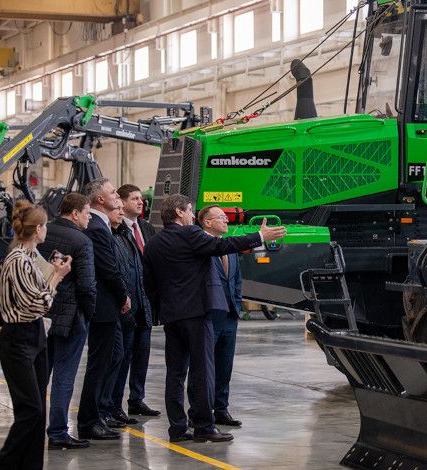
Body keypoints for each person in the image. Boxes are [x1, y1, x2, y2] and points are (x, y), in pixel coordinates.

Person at [143, 194, 285, 442]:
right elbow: (222, 246)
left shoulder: (153, 243)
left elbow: (149, 283)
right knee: (203, 371)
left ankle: (177, 428)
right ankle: (204, 427)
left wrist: (163, 309)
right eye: (189, 210)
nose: (192, 215)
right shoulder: (190, 234)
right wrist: (259, 236)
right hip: (197, 314)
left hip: (171, 316)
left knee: (175, 374)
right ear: (179, 212)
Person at [0, 200, 71, 470]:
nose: (46, 230)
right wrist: (57, 278)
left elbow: (38, 294)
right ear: (38, 229)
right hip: (18, 338)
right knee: (30, 410)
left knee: (39, 411)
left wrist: (52, 272)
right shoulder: (17, 260)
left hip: (34, 334)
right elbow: (37, 304)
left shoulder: (29, 257)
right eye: (45, 226)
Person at [37, 193, 95, 450]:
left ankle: (32, 425)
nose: (89, 218)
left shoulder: (42, 233)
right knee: (64, 376)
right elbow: (87, 286)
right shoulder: (82, 241)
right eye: (87, 213)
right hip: (71, 319)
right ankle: (59, 431)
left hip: (42, 313)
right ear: (75, 213)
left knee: (40, 374)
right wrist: (88, 314)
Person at [77, 178, 131, 441]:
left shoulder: (102, 225)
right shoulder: (98, 228)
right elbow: (108, 269)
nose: (116, 197)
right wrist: (123, 296)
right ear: (100, 199)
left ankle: (99, 414)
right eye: (112, 193)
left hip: (107, 306)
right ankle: (89, 421)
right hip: (104, 306)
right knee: (100, 364)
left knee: (113, 357)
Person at [188, 205, 244, 427]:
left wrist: (236, 305)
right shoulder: (200, 246)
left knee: (224, 365)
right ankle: (197, 411)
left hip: (229, 315)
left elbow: (236, 280)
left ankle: (221, 408)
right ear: (207, 223)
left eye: (225, 217)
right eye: (221, 217)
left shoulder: (229, 247)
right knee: (202, 366)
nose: (226, 220)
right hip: (208, 316)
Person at [110, 190, 154, 422]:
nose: (140, 202)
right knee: (123, 355)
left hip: (145, 300)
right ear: (122, 202)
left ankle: (137, 399)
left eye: (141, 199)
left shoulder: (146, 228)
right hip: (126, 303)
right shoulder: (117, 231)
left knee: (142, 354)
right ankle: (115, 403)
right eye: (134, 198)